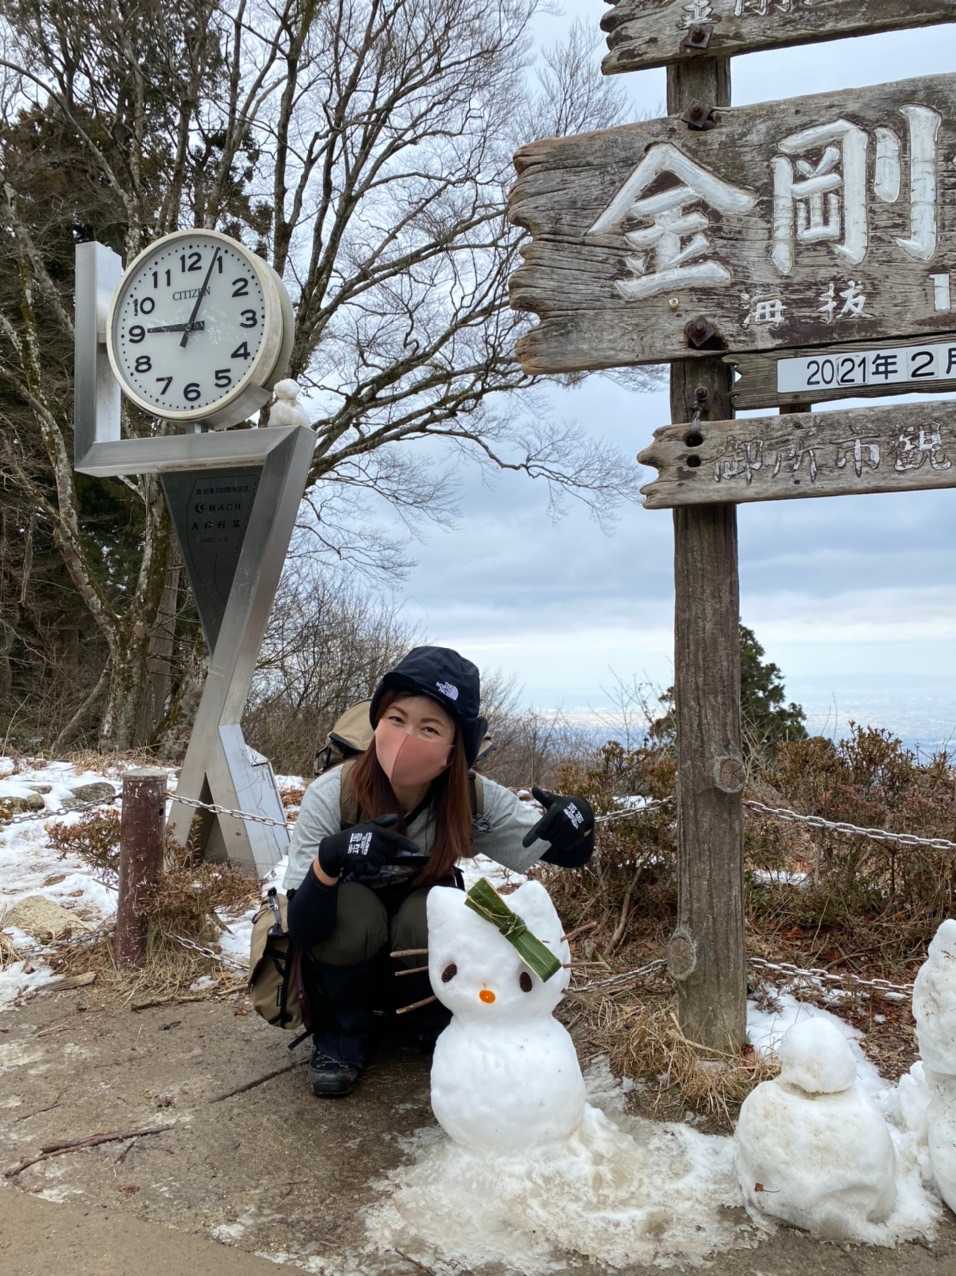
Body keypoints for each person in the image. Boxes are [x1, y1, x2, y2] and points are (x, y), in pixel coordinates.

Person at [284, 645, 595, 1098]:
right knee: (353, 912)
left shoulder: (470, 798)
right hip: (347, 936)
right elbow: (302, 927)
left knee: (429, 910)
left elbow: (557, 850)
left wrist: (579, 825)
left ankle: (426, 1023)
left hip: (417, 930)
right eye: (396, 718)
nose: (406, 737)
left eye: (429, 728)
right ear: (377, 721)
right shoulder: (334, 794)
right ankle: (341, 1035)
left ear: (453, 750)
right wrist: (330, 859)